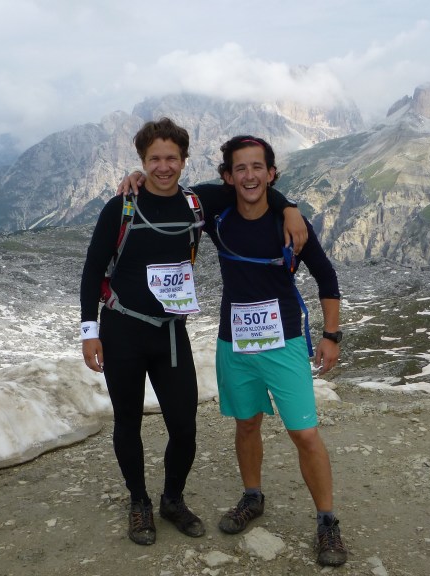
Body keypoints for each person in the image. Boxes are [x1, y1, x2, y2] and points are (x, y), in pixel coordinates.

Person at [79, 118, 305, 546]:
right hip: (122, 330)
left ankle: (172, 499)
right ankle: (139, 502)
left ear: (184, 161)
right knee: (127, 422)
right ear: (142, 161)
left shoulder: (198, 202)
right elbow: (92, 269)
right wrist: (89, 331)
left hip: (170, 334)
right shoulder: (121, 207)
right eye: (153, 159)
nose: (163, 167)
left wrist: (289, 206)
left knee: (184, 427)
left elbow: (252, 187)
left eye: (171, 158)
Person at [207, 135, 348, 567]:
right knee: (246, 423)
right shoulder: (217, 214)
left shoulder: (291, 225)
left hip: (283, 340)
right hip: (235, 342)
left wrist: (331, 336)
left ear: (271, 173)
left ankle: (327, 522)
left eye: (258, 167)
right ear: (228, 176)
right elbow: (169, 189)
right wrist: (137, 178)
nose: (249, 176)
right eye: (240, 168)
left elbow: (326, 277)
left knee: (304, 433)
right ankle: (252, 497)